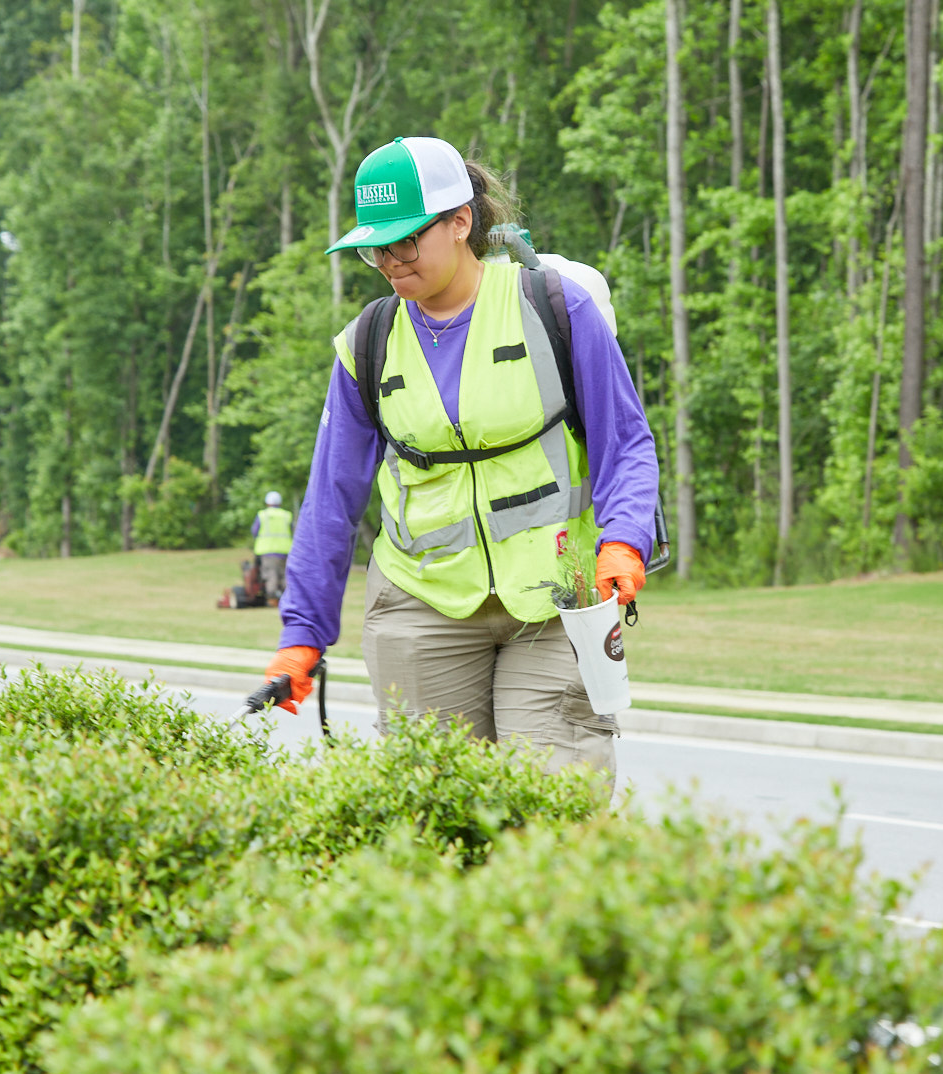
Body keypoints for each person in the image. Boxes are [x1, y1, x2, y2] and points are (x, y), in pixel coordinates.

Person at [261, 136, 659, 776]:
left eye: (406, 240)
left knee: (552, 806)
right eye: (375, 247)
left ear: (460, 222)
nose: (390, 260)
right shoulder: (367, 344)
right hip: (421, 608)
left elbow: (627, 443)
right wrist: (302, 634)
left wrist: (625, 540)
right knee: (441, 821)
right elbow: (330, 500)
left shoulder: (555, 308)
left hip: (553, 602)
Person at [250, 490, 292, 600]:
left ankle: (272, 598)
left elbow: (254, 531)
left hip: (267, 551)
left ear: (267, 503)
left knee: (271, 575)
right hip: (285, 550)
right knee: (284, 575)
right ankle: (288, 598)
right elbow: (294, 531)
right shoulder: (286, 515)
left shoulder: (262, 515)